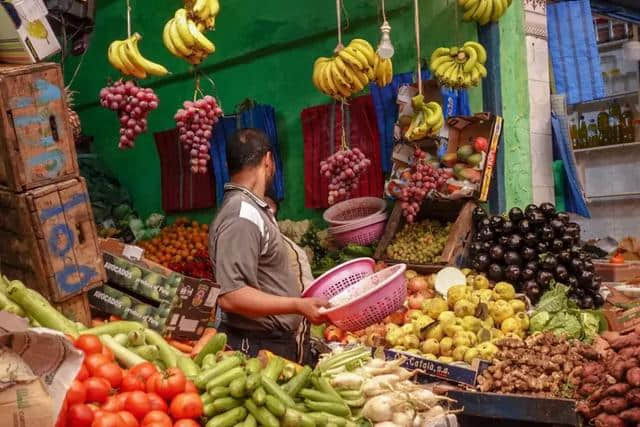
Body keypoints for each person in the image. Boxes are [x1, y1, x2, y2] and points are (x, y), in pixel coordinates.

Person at [209, 128, 329, 361]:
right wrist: (298, 305)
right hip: (256, 345)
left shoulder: (252, 209)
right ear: (268, 160)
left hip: (267, 341)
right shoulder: (241, 214)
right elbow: (231, 295)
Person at [264, 194, 315, 364]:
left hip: (280, 343)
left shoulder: (291, 254)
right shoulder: (239, 246)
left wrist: (299, 359)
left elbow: (305, 306)